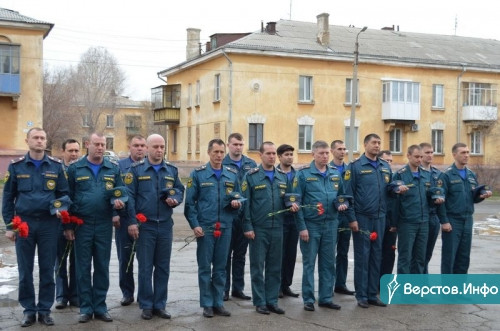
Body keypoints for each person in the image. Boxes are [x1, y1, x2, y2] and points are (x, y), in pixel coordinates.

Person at [2, 128, 69, 327]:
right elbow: (7, 199)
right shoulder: (17, 167)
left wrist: (61, 208)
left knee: (48, 269)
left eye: (42, 138)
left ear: (46, 141)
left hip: (49, 224)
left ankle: (44, 309)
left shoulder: (56, 166)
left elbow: (64, 194)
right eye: (36, 138)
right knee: (25, 270)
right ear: (27, 141)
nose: (39, 141)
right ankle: (29, 310)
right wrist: (9, 225)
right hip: (24, 224)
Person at [66, 132, 126, 323]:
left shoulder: (113, 169)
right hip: (81, 224)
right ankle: (85, 308)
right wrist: (68, 225)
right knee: (83, 267)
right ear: (88, 145)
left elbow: (121, 192)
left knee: (102, 266)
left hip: (103, 224)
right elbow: (67, 197)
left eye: (103, 144)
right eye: (97, 144)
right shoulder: (76, 168)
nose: (100, 147)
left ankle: (100, 306)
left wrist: (119, 204)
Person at [344, 134, 406, 308]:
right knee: (363, 257)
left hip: (380, 218)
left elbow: (389, 189)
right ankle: (361, 295)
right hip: (362, 218)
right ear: (365, 145)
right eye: (374, 143)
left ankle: (372, 294)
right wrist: (352, 219)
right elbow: (348, 195)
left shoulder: (385, 166)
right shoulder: (355, 167)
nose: (377, 146)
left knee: (376, 257)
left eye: (379, 143)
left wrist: (396, 189)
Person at [126, 134, 184, 320]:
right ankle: (146, 305)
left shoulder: (171, 170)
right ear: (148, 148)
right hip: (146, 226)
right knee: (145, 267)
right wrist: (132, 221)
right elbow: (130, 197)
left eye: (162, 146)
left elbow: (180, 190)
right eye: (156, 147)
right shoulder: (136, 170)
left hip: (165, 225)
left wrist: (175, 199)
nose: (159, 150)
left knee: (162, 267)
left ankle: (160, 304)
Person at [184, 139, 241, 318]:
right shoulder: (198, 174)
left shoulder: (232, 175)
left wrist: (236, 205)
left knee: (221, 267)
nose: (219, 156)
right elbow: (189, 204)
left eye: (221, 152)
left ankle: (218, 303)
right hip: (206, 228)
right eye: (215, 152)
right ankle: (207, 303)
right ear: (209, 152)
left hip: (225, 227)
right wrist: (195, 225)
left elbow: (240, 199)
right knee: (204, 267)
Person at [295, 140, 353, 312]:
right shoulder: (304, 175)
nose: (325, 156)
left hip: (330, 225)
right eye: (321, 153)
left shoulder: (335, 173)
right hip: (311, 226)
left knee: (328, 264)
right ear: (313, 154)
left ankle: (326, 297)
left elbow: (342, 197)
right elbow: (296, 203)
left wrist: (342, 205)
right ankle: (308, 299)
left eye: (327, 153)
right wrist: (302, 227)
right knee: (309, 264)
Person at [243, 142, 298, 315]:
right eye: (268, 153)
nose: (272, 156)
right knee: (258, 267)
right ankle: (260, 302)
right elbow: (246, 205)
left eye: (274, 153)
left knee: (275, 267)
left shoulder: (282, 177)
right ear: (261, 155)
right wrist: (247, 226)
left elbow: (289, 197)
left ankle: (272, 300)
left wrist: (292, 205)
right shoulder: (251, 177)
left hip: (278, 228)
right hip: (259, 228)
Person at [438, 143, 492, 274]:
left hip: (467, 220)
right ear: (454, 155)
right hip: (452, 220)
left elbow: (473, 198)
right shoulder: (446, 175)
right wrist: (444, 221)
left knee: (463, 257)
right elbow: (440, 201)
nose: (466, 155)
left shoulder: (471, 175)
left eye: (468, 152)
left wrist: (482, 196)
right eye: (463, 152)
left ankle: (460, 290)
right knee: (449, 257)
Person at [391, 145, 442, 274]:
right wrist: (394, 223)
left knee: (420, 258)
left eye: (421, 156)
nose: (419, 159)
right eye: (416, 156)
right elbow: (393, 201)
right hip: (407, 222)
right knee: (405, 258)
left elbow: (430, 195)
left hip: (424, 222)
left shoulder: (426, 175)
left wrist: (437, 198)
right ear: (408, 156)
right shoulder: (400, 175)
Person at [222, 133, 257, 301]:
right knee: (225, 254)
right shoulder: (222, 162)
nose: (238, 147)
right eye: (235, 144)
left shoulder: (251, 164)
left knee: (240, 255)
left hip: (244, 215)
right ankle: (224, 289)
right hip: (228, 215)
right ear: (228, 145)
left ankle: (238, 288)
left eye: (241, 144)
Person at [116, 135, 146, 306]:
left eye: (142, 145)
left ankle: (143, 294)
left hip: (145, 221)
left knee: (145, 261)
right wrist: (115, 213)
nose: (140, 148)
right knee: (125, 259)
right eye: (136, 145)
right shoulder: (119, 167)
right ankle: (127, 293)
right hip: (124, 220)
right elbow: (113, 192)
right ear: (130, 147)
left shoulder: (149, 167)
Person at [55, 139, 81, 309]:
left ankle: (76, 295)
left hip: (78, 221)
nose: (73, 154)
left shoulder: (81, 170)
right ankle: (61, 296)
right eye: (70, 150)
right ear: (63, 151)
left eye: (76, 151)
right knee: (60, 260)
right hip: (59, 221)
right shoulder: (57, 169)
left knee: (77, 260)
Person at [330, 140, 355, 296]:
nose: (342, 151)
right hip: (332, 215)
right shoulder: (329, 169)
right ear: (332, 151)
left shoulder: (350, 170)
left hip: (346, 215)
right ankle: (328, 284)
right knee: (328, 252)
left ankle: (341, 283)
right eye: (339, 149)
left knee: (343, 252)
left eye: (344, 149)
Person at [276, 144, 300, 298]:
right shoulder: (275, 174)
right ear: (279, 157)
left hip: (295, 219)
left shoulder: (298, 175)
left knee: (291, 254)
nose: (290, 157)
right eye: (286, 154)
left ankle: (286, 285)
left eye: (291, 154)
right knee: (279, 254)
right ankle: (276, 285)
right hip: (280, 219)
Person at [420, 142, 443, 273]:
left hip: (433, 217)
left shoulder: (437, 174)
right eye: (427, 153)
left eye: (432, 152)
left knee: (427, 253)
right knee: (418, 255)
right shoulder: (415, 172)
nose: (430, 155)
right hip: (419, 217)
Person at [379, 150, 397, 278]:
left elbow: (397, 203)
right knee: (376, 253)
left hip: (391, 222)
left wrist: (395, 222)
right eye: (386, 161)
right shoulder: (377, 176)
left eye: (391, 161)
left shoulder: (395, 177)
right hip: (378, 219)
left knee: (390, 253)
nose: (389, 163)